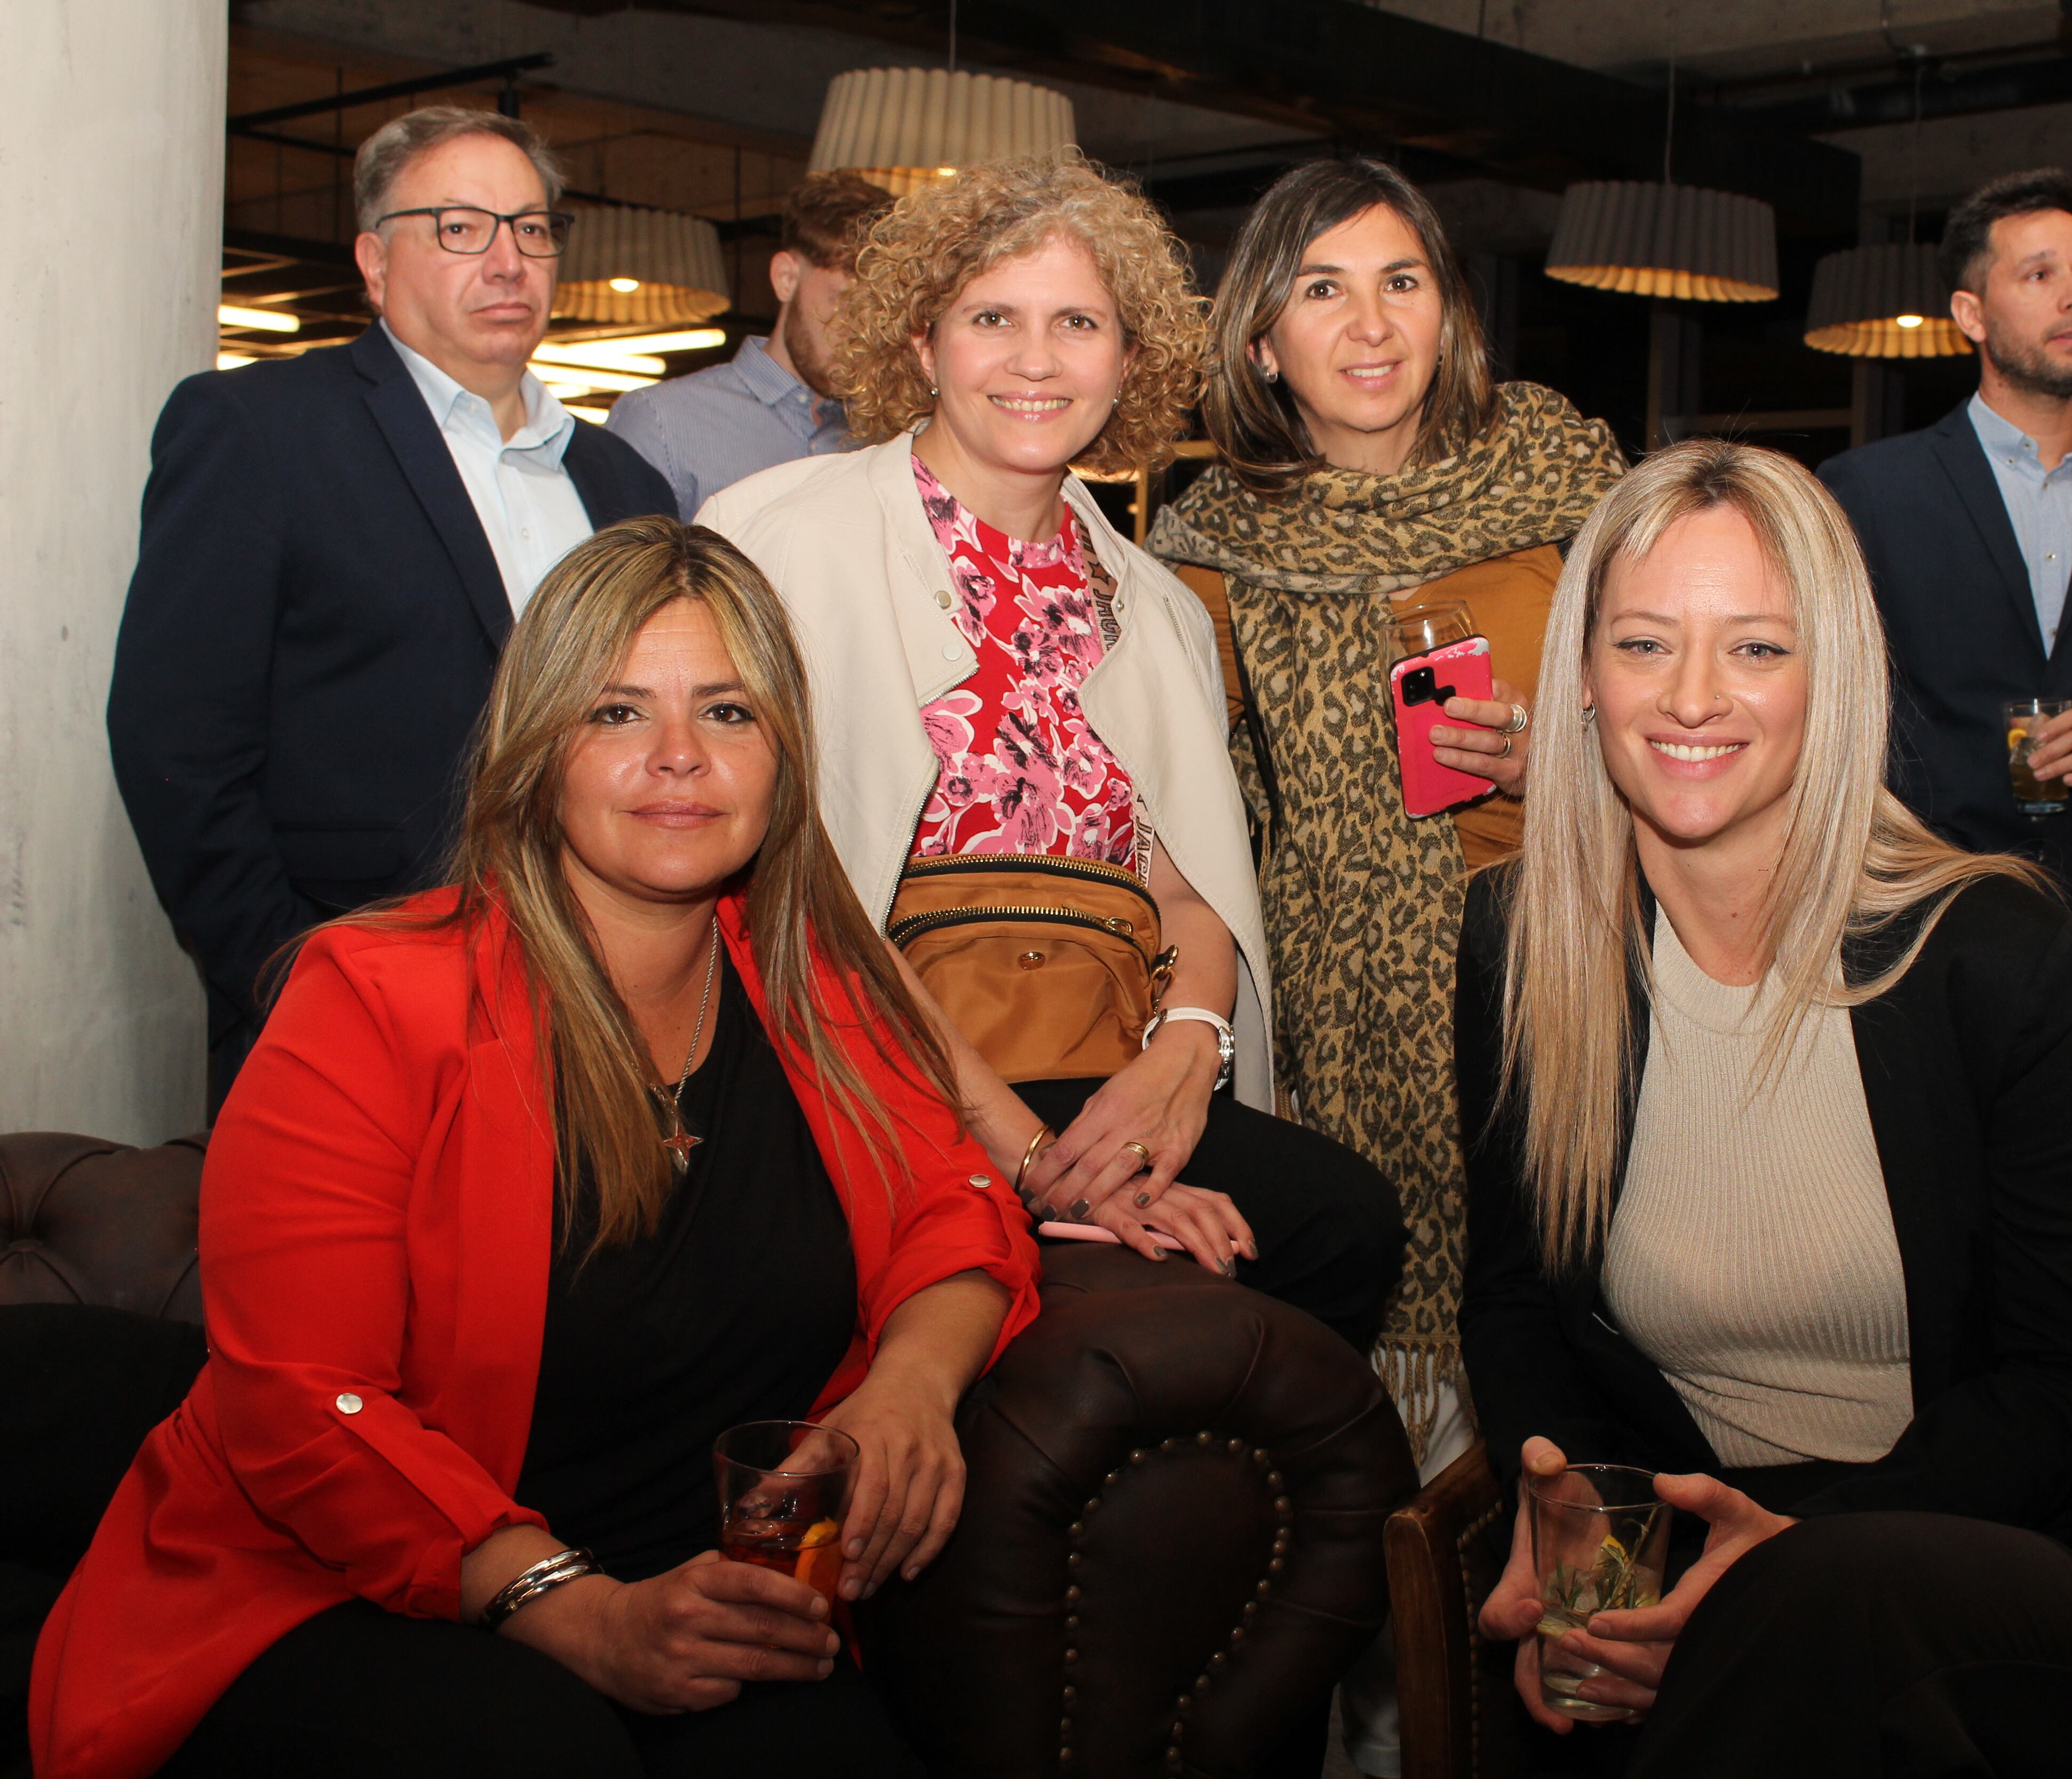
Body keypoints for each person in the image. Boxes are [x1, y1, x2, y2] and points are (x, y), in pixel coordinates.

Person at [35, 518, 1043, 1779]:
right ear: (536, 754)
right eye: (618, 713)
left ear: (783, 756)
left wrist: (909, 1390)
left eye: (728, 712)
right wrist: (583, 1613)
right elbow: (301, 1403)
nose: (680, 757)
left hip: (702, 1592)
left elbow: (954, 1205)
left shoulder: (807, 984)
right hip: (342, 1581)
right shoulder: (369, 996)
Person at [1459, 440, 2072, 1772]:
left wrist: (1791, 1556)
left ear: (1835, 675)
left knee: (1817, 1617)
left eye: (1756, 649)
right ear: (1581, 674)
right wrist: (1585, 1540)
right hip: (1731, 1564)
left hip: (2038, 1565)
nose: (1693, 697)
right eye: (1643, 644)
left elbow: (2070, 1391)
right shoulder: (1522, 943)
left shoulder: (1996, 951)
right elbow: (1519, 1299)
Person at [701, 153, 1403, 1362]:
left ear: (1129, 360)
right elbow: (803, 908)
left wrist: (1184, 1060)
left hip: (1096, 1048)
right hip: (861, 1056)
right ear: (920, 343)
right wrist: (1034, 1158)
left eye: (1077, 322)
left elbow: (1186, 887)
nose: (1036, 360)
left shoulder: (1157, 603)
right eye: (993, 319)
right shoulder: (772, 540)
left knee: (1338, 1221)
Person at [1149, 156, 1624, 1465]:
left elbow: (1684, 729)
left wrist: (1560, 762)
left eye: (1400, 282)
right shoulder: (1201, 558)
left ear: (1448, 314)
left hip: (1562, 990)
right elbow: (1188, 828)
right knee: (1383, 1427)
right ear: (1262, 339)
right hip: (1327, 1032)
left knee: (1585, 1356)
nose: (1370, 325)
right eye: (1323, 289)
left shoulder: (1570, 489)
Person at [107, 105, 676, 1111]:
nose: (508, 261)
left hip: (604, 1013)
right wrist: (294, 980)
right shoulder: (260, 432)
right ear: (375, 261)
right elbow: (178, 747)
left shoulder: (623, 483)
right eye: (459, 227)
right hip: (356, 1010)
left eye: (531, 227)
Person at [1818, 167, 2072, 1070]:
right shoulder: (1868, 493)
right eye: (2040, 274)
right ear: (1971, 313)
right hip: (1908, 926)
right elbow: (1823, 703)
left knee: (2068, 1209)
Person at [608, 170, 891, 518]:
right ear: (787, 279)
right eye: (847, 303)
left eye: (879, 312)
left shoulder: (886, 439)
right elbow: (622, 572)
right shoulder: (662, 423)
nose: (865, 332)